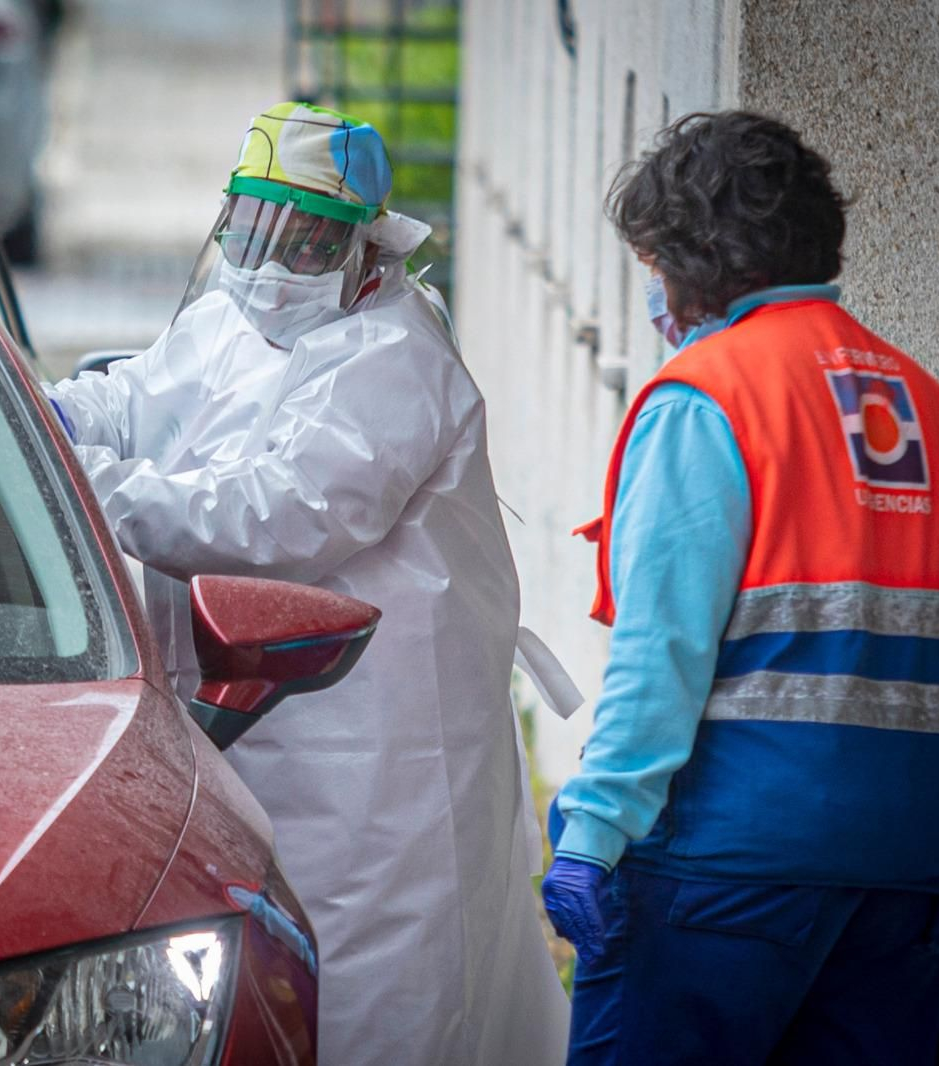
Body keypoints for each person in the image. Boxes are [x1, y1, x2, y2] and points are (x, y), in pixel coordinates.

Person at [47, 102, 569, 1065]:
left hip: (379, 759)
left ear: (365, 246)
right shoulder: (231, 316)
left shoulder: (394, 357)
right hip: (253, 727)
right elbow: (130, 398)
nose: (271, 261)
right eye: (254, 228)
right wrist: (47, 416)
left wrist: (87, 485)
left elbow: (271, 520)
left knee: (378, 991)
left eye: (305, 239)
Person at [542, 111, 939, 1065]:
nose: (653, 291)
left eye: (652, 265)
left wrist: (593, 833)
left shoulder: (708, 395)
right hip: (907, 872)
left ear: (689, 259)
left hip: (726, 873)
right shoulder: (932, 408)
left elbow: (662, 651)